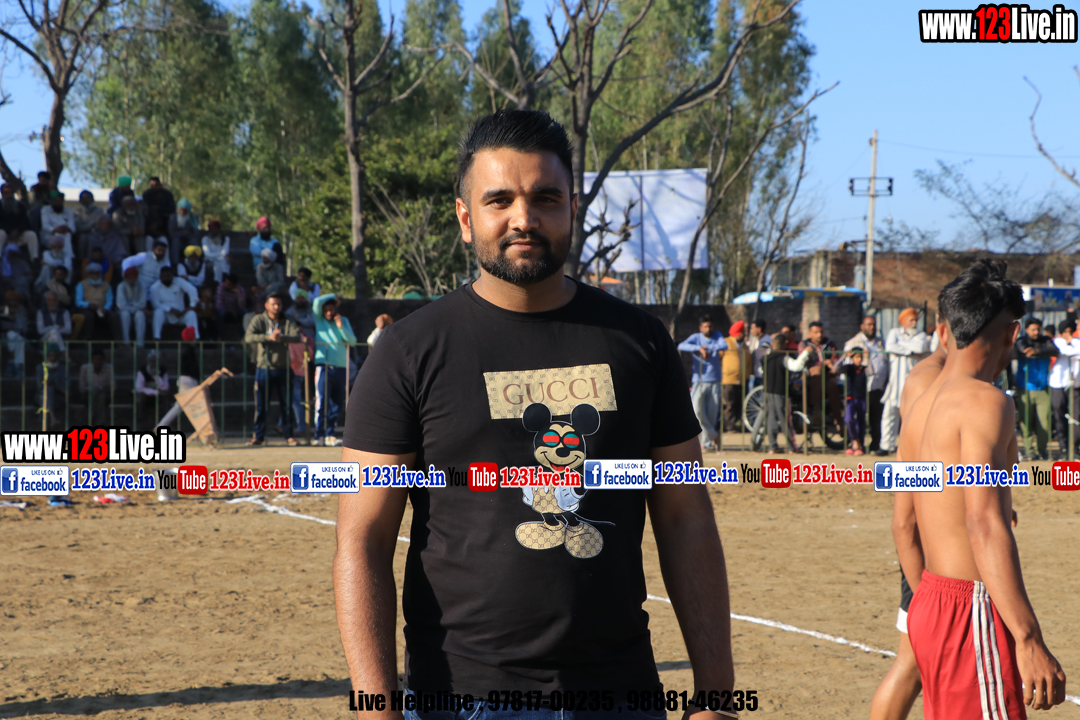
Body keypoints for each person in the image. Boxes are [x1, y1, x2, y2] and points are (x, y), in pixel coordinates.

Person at [338, 109, 734, 713]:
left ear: (572, 208)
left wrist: (718, 696)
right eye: (499, 200)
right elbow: (363, 539)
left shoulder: (641, 341)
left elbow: (686, 517)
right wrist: (376, 707)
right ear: (466, 219)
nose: (523, 218)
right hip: (461, 700)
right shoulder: (408, 351)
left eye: (545, 198)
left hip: (622, 695)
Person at [902, 259, 1067, 717]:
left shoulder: (921, 405)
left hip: (930, 599)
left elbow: (903, 524)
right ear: (1013, 333)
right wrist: (1028, 638)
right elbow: (984, 521)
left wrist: (929, 606)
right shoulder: (986, 403)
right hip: (969, 605)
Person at [869, 322, 947, 720]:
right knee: (914, 663)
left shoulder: (950, 376)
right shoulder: (928, 379)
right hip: (931, 546)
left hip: (942, 541)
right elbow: (912, 477)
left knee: (916, 665)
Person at [244, 293, 300, 446]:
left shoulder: (287, 320)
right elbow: (249, 337)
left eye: (279, 304)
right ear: (266, 305)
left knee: (287, 405)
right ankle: (258, 436)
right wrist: (268, 337)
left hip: (284, 368)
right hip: (264, 368)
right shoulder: (259, 319)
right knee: (261, 406)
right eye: (273, 304)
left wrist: (282, 338)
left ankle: (289, 436)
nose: (276, 307)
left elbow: (297, 337)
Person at [879, 308, 931, 456]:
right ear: (903, 322)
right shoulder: (894, 333)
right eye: (911, 320)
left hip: (913, 383)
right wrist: (910, 351)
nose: (914, 323)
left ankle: (909, 448)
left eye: (915, 320)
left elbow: (920, 348)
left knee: (911, 417)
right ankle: (885, 446)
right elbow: (890, 346)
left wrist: (901, 348)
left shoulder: (921, 335)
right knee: (889, 414)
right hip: (895, 382)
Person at [677, 314, 727, 451]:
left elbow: (724, 345)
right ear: (701, 328)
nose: (708, 329)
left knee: (711, 414)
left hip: (715, 380)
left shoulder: (717, 335)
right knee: (696, 411)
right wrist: (698, 348)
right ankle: (714, 435)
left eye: (710, 326)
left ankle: (706, 443)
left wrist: (708, 348)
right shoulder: (696, 337)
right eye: (705, 326)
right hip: (699, 380)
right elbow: (681, 345)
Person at [1012, 317, 1059, 461]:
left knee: (1044, 422)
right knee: (1026, 422)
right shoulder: (1021, 341)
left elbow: (1054, 350)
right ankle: (1029, 450)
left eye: (1038, 329)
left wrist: (1037, 351)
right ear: (1026, 330)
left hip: (1043, 389)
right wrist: (1026, 351)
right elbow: (1018, 350)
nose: (1036, 332)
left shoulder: (1046, 341)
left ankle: (1042, 450)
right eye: (1033, 329)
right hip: (1024, 389)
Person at [311, 293, 355, 447]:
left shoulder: (344, 321)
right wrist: (334, 296)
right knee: (322, 401)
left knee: (337, 403)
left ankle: (330, 434)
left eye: (332, 309)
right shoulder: (319, 320)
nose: (329, 312)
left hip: (341, 368)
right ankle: (319, 435)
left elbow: (352, 341)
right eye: (327, 310)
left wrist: (341, 327)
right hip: (323, 367)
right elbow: (317, 301)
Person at [843, 315, 889, 453]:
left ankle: (876, 445)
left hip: (878, 386)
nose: (872, 327)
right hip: (860, 388)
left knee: (876, 417)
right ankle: (856, 444)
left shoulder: (881, 342)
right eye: (869, 324)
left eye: (873, 324)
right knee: (856, 418)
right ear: (862, 326)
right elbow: (846, 366)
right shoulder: (853, 343)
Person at [761, 332, 812, 452]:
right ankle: (791, 447)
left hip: (767, 391)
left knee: (771, 418)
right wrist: (806, 353)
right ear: (785, 344)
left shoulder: (766, 358)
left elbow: (760, 371)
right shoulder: (783, 358)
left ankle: (773, 447)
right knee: (785, 419)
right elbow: (796, 366)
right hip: (780, 392)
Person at [799, 320, 844, 430]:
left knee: (832, 385)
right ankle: (816, 410)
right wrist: (823, 363)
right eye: (816, 332)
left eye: (821, 332)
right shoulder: (804, 345)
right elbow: (803, 363)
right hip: (811, 377)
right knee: (817, 371)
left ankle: (838, 420)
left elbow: (836, 361)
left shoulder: (829, 344)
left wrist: (832, 364)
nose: (819, 335)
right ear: (810, 333)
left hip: (827, 377)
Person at [1050, 319, 1080, 459]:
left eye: (1070, 331)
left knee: (1076, 416)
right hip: (1058, 383)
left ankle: (1074, 447)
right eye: (1065, 332)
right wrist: (1071, 346)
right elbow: (1064, 351)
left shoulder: (1077, 341)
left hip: (1075, 384)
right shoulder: (1057, 342)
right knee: (1059, 413)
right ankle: (1063, 447)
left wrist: (1072, 342)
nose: (1067, 334)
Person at [149, 266, 199, 340]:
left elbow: (192, 290)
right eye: (164, 276)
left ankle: (195, 339)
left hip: (181, 314)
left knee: (192, 314)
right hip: (166, 315)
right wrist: (170, 310)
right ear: (160, 277)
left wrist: (191, 306)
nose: (166, 278)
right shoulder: (154, 287)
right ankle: (157, 339)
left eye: (168, 276)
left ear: (172, 275)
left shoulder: (179, 281)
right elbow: (155, 304)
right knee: (157, 313)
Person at [720, 320, 750, 431]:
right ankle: (730, 426)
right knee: (729, 404)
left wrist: (746, 375)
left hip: (741, 380)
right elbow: (719, 358)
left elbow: (749, 363)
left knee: (739, 404)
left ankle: (737, 425)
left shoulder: (745, 347)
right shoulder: (726, 342)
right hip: (729, 379)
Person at [73, 262, 114, 340]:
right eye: (92, 273)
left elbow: (109, 300)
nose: (95, 275)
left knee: (113, 316)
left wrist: (106, 309)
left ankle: (119, 342)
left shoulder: (106, 285)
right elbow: (78, 302)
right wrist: (88, 305)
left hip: (102, 309)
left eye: (97, 273)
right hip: (87, 309)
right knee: (89, 315)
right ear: (88, 274)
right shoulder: (81, 285)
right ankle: (87, 339)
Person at [0, 183, 40, 261]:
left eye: (10, 192)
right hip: (4, 235)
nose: (9, 195)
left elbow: (25, 222)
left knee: (31, 235)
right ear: (2, 194)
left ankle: (35, 259)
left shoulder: (20, 206)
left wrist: (18, 230)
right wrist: (9, 231)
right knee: (0, 233)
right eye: (6, 193)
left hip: (18, 235)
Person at [840, 347, 868, 455]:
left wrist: (868, 358)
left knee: (861, 422)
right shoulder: (848, 368)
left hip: (861, 398)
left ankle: (860, 445)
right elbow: (836, 368)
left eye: (860, 357)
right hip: (850, 398)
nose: (859, 359)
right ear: (852, 358)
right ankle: (854, 440)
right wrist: (844, 357)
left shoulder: (864, 369)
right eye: (856, 357)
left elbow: (873, 372)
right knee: (848, 419)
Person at [134, 350, 170, 430]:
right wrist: (156, 392)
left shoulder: (163, 371)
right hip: (146, 396)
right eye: (152, 361)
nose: (153, 363)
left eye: (156, 361)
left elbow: (165, 387)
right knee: (140, 398)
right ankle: (140, 425)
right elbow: (139, 388)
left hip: (159, 397)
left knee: (166, 398)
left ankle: (164, 425)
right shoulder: (142, 370)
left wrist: (156, 376)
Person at [79, 349, 114, 425]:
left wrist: (104, 388)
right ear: (91, 360)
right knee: (95, 394)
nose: (98, 361)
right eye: (95, 359)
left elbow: (113, 386)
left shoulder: (109, 368)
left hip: (105, 394)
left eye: (100, 359)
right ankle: (100, 422)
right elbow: (82, 387)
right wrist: (93, 389)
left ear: (103, 360)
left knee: (101, 396)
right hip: (88, 394)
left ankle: (91, 419)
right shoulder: (84, 368)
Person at [36, 344, 67, 429]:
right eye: (50, 355)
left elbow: (65, 386)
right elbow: (39, 385)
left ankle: (49, 420)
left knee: (48, 392)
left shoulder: (63, 368)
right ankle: (53, 418)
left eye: (54, 355)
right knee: (47, 390)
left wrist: (54, 385)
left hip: (58, 395)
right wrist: (47, 384)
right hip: (42, 394)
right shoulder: (40, 367)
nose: (52, 357)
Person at [116, 266, 148, 347]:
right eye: (129, 277)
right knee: (125, 315)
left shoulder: (142, 285)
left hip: (138, 309)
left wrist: (134, 308)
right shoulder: (121, 286)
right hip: (124, 310)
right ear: (125, 278)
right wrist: (132, 308)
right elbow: (121, 304)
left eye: (133, 277)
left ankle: (140, 344)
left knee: (140, 315)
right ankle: (126, 343)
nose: (131, 279)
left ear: (137, 277)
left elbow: (142, 303)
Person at [39, 190, 76, 260]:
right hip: (49, 235)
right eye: (56, 201)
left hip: (65, 234)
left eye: (60, 201)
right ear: (52, 202)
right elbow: (45, 226)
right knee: (59, 235)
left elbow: (73, 228)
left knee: (67, 235)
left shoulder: (69, 212)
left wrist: (65, 229)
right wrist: (55, 229)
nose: (58, 203)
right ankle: (68, 258)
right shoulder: (45, 210)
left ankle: (68, 258)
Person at [1, 290, 29, 377]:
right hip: (5, 337)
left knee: (18, 339)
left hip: (20, 335)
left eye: (15, 299)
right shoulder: (3, 309)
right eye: (10, 299)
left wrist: (14, 326)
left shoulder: (21, 309)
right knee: (13, 335)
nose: (13, 302)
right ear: (7, 300)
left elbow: (23, 326)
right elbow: (4, 326)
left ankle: (11, 362)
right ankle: (18, 366)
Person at [167, 198, 199, 265]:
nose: (183, 212)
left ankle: (194, 263)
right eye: (181, 209)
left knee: (194, 241)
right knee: (176, 241)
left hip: (188, 240)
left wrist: (179, 230)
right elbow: (172, 234)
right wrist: (186, 231)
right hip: (176, 240)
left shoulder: (193, 218)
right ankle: (175, 264)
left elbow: (195, 233)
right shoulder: (173, 217)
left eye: (185, 210)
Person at [746, 318, 772, 391]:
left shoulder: (767, 341)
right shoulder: (756, 340)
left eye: (752, 328)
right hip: (756, 374)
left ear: (759, 329)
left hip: (762, 375)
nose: (751, 331)